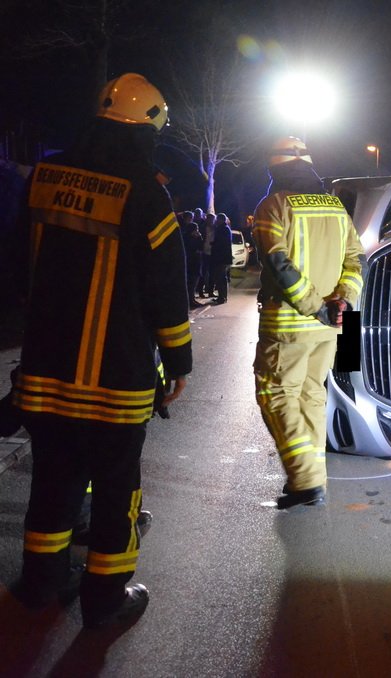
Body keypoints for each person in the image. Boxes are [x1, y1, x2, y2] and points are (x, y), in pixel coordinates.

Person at [10, 73, 191, 628]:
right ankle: (105, 599)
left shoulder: (43, 174)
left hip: (44, 372)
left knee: (53, 476)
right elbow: (166, 289)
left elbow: (17, 268)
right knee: (116, 487)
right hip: (116, 378)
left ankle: (41, 583)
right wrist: (178, 361)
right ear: (152, 126)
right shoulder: (145, 191)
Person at [252, 136, 364, 509]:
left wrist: (314, 305)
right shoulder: (335, 207)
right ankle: (313, 479)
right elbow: (355, 261)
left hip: (289, 324)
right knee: (312, 397)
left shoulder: (274, 205)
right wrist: (343, 301)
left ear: (276, 170)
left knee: (276, 395)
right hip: (330, 328)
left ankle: (305, 478)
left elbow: (277, 263)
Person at [208, 212, 233, 304]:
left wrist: (213, 244)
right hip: (223, 258)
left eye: (217, 219)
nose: (216, 221)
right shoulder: (224, 229)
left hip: (221, 258)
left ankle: (222, 297)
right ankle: (222, 296)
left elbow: (221, 243)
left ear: (221, 220)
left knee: (220, 278)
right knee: (222, 278)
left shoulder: (223, 229)